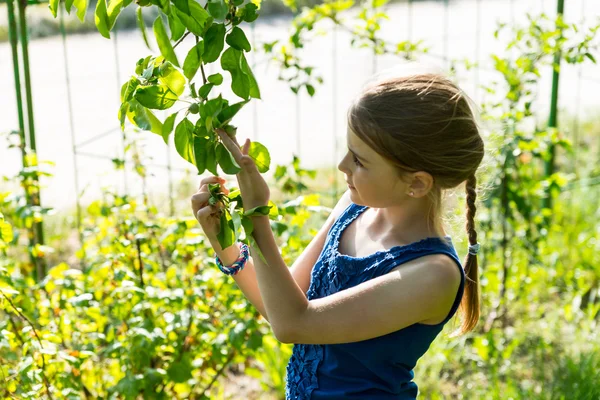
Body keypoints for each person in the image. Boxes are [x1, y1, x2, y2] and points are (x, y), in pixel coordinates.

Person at [191, 72, 485, 399]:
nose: (343, 165)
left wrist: (257, 213)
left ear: (416, 183)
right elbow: (282, 305)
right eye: (348, 150)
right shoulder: (354, 207)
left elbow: (293, 324)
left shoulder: (434, 274)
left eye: (359, 160)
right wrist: (227, 245)